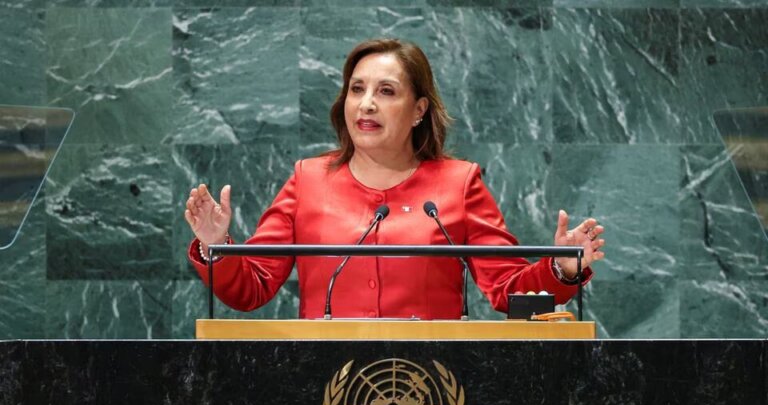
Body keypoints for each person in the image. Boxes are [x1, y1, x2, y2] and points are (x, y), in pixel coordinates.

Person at [184, 38, 605, 320]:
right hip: (325, 380)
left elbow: (509, 292)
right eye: (356, 89)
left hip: (433, 386)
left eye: (386, 91)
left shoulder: (458, 183)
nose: (366, 104)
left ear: (419, 109)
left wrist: (561, 268)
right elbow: (250, 289)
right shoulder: (308, 179)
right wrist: (215, 246)